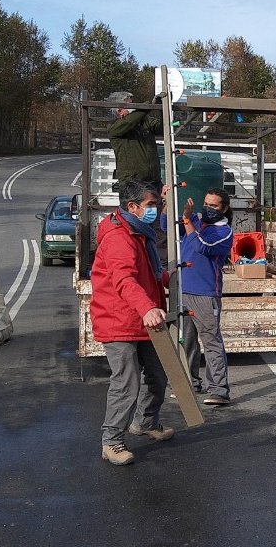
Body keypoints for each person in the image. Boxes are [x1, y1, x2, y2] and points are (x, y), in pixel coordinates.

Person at [90, 178, 176, 466]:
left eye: (158, 204)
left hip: (142, 319)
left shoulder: (139, 232)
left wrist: (164, 278)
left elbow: (144, 272)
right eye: (152, 206)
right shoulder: (118, 237)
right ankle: (111, 441)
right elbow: (124, 280)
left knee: (158, 375)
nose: (157, 210)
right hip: (120, 320)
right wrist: (147, 308)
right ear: (132, 207)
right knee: (126, 384)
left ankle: (146, 422)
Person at [180, 187, 235, 405]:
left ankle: (219, 390)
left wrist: (188, 222)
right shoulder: (196, 219)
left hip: (205, 293)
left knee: (211, 341)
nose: (209, 208)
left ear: (224, 208)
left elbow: (202, 246)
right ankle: (190, 383)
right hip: (184, 289)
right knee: (186, 341)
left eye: (214, 205)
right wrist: (167, 205)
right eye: (206, 203)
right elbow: (167, 227)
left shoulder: (223, 232)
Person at [106, 91, 163, 190]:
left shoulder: (142, 121)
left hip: (154, 181)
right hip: (132, 183)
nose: (134, 107)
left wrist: (159, 107)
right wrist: (148, 105)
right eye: (130, 104)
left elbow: (160, 128)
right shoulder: (114, 127)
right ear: (120, 110)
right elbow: (130, 121)